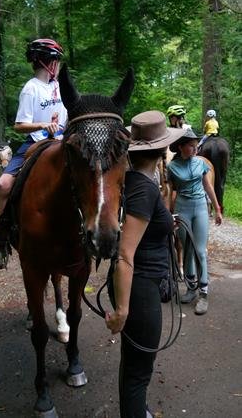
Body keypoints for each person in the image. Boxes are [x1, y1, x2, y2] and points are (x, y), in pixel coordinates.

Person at [105, 111, 185, 418]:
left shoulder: (134, 181)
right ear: (162, 150)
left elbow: (136, 230)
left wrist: (165, 222)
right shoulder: (144, 188)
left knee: (134, 362)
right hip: (139, 287)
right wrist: (122, 311)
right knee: (140, 368)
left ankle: (136, 409)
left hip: (141, 283)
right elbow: (126, 254)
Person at [0, 38, 67, 269]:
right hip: (36, 141)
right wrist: (43, 126)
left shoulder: (61, 85)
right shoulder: (31, 88)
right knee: (2, 186)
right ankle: (0, 243)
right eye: (57, 60)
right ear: (48, 62)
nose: (58, 65)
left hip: (63, 141)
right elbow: (19, 125)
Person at [167, 128, 222, 315]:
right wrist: (169, 215)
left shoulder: (201, 164)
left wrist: (217, 209)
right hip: (182, 208)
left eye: (196, 146)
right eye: (191, 146)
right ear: (181, 147)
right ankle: (191, 289)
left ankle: (203, 294)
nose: (195, 149)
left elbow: (208, 186)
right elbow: (170, 192)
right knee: (187, 249)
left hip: (200, 207)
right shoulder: (172, 167)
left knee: (200, 250)